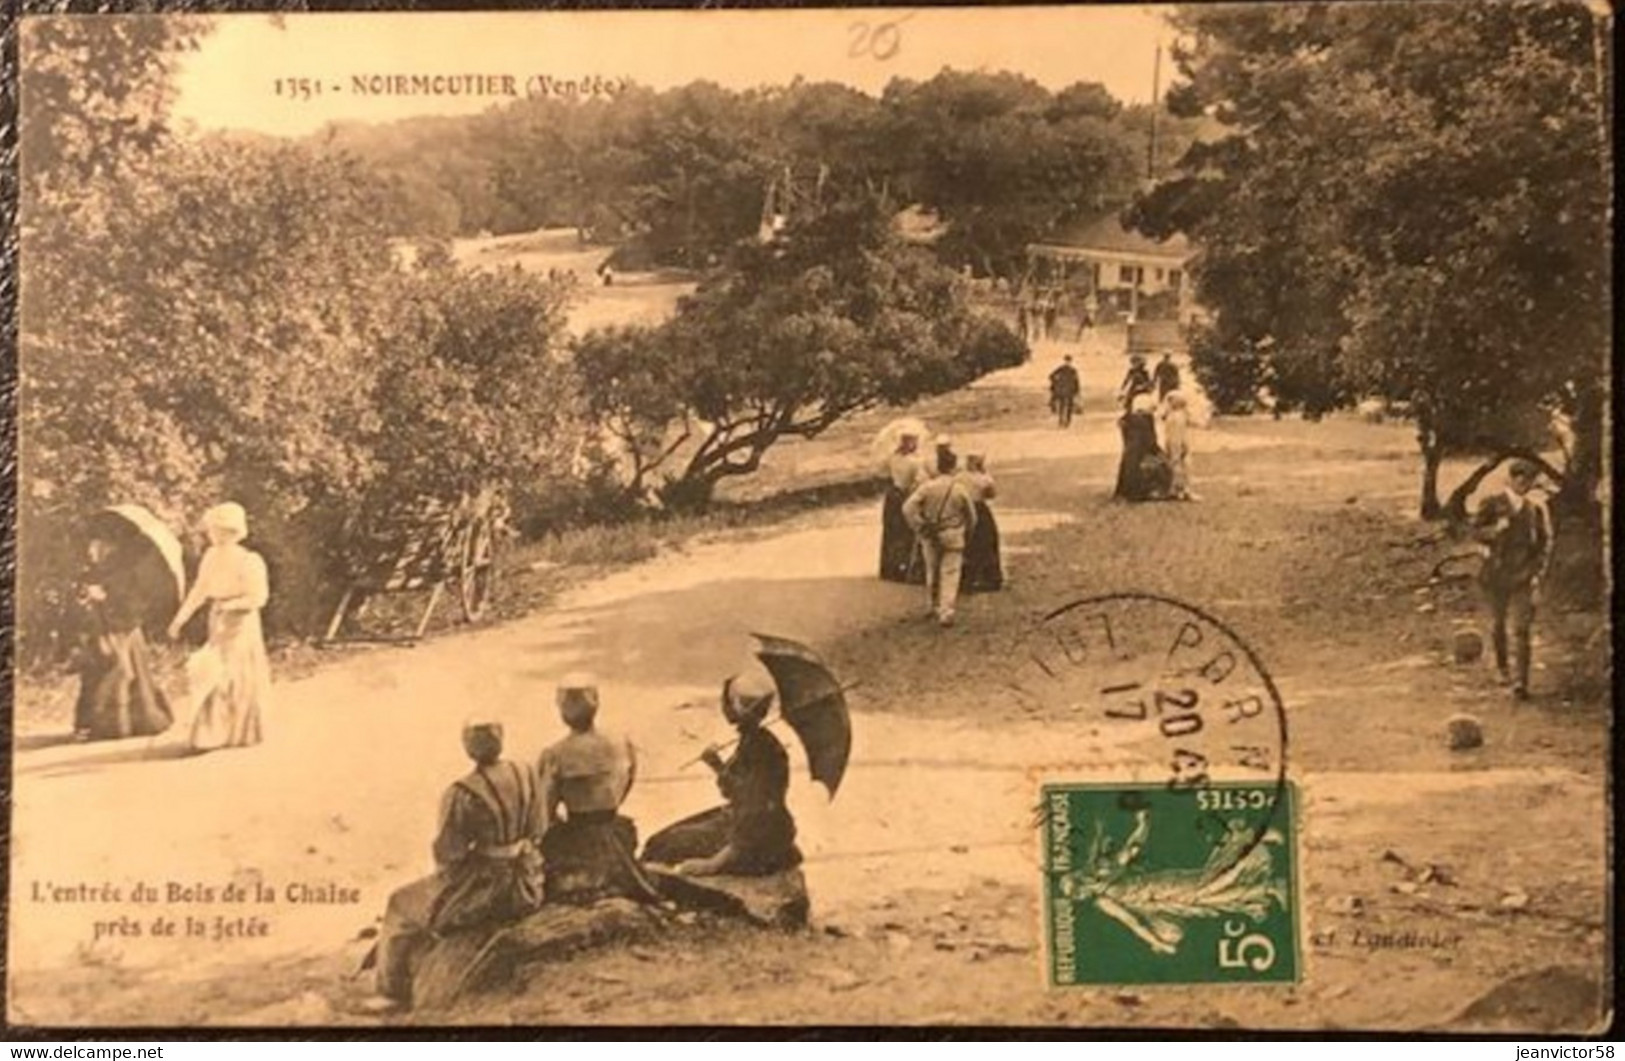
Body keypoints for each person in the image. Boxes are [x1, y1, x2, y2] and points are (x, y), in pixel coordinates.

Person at [370, 719, 546, 1008]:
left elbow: (448, 854)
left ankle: (390, 993)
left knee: (400, 902)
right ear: (501, 738)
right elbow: (539, 828)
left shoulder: (463, 793)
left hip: (488, 891)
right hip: (526, 881)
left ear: (467, 747)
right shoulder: (526, 773)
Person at [644, 673, 802, 877]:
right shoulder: (756, 741)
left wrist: (714, 863)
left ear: (737, 706)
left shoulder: (759, 748)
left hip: (757, 838)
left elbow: (756, 811)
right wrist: (717, 764)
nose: (723, 706)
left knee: (662, 846)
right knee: (663, 841)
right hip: (756, 825)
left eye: (725, 701)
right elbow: (740, 791)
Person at [536, 677, 660, 904]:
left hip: (580, 832)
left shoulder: (555, 754)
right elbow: (628, 781)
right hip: (614, 827)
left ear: (562, 710)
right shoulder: (621, 742)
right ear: (597, 703)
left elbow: (544, 809)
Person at [167, 502, 271, 752]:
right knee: (211, 671)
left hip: (241, 622)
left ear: (232, 531)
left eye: (218, 530)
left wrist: (232, 605)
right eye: (212, 529)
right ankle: (211, 732)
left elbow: (259, 597)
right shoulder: (211, 556)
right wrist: (180, 618)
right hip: (217, 618)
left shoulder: (249, 560)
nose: (212, 534)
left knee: (233, 674)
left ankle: (238, 730)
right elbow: (200, 589)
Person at [72, 533, 174, 742]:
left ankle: (124, 724)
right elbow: (84, 596)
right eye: (91, 548)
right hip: (101, 630)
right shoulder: (95, 571)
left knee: (122, 673)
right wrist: (87, 597)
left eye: (95, 547)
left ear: (107, 546)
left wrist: (105, 597)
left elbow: (133, 604)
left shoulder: (126, 573)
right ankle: (97, 724)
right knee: (98, 673)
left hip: (123, 631)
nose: (91, 553)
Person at [1471, 460, 1554, 701]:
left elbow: (1544, 544)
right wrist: (1495, 530)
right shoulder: (1492, 503)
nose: (1524, 485)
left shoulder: (1535, 510)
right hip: (1495, 576)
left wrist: (1537, 573)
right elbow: (1475, 531)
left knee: (1521, 629)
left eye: (1529, 481)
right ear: (1511, 479)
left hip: (1523, 577)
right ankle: (1502, 668)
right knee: (1498, 625)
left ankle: (1521, 682)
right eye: (1521, 480)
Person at [903, 450, 978, 627]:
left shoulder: (927, 487)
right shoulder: (959, 489)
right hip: (953, 533)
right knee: (950, 573)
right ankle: (947, 611)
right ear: (953, 468)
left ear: (938, 467)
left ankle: (933, 605)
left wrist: (919, 525)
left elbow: (908, 507)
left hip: (930, 533)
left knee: (932, 570)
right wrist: (967, 533)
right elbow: (972, 517)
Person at [879, 432, 929, 583]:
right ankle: (906, 566)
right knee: (907, 531)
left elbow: (885, 473)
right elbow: (919, 480)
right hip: (907, 495)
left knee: (892, 530)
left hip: (893, 495)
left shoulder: (892, 458)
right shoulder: (915, 461)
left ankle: (890, 567)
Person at [958, 454, 1004, 593]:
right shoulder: (984, 478)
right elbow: (991, 494)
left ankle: (967, 578)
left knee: (968, 543)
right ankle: (989, 577)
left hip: (964, 509)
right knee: (987, 542)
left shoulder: (959, 477)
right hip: (979, 509)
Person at [1114, 393, 1170, 502]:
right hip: (1142, 453)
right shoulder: (1145, 419)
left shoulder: (1129, 418)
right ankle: (1147, 491)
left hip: (1130, 453)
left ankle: (1129, 492)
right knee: (1161, 465)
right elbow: (1149, 440)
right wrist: (1158, 452)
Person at [1160, 392, 1197, 501]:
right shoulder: (1179, 416)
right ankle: (1183, 490)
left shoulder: (1172, 415)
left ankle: (1175, 490)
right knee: (1182, 465)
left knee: (1175, 465)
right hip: (1178, 443)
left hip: (1173, 442)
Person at [1049, 355, 1082, 428]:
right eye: (1067, 361)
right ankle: (1064, 421)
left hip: (1067, 390)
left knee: (1066, 406)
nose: (1067, 362)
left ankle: (1065, 421)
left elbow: (1076, 381)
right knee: (1064, 405)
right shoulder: (1067, 369)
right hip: (1066, 390)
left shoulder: (1069, 370)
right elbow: (1051, 376)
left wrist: (1056, 382)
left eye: (1068, 361)